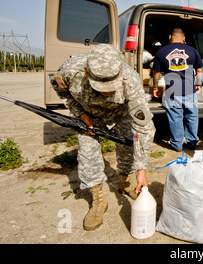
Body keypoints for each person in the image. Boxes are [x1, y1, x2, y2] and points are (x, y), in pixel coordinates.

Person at [50, 44, 155, 231]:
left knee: (128, 145)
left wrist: (141, 168)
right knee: (87, 153)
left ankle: (125, 182)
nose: (106, 92)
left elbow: (144, 127)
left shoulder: (130, 79)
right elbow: (62, 91)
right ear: (86, 72)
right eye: (100, 87)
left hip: (119, 112)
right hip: (88, 114)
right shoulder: (70, 70)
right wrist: (79, 113)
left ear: (120, 71)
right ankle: (98, 200)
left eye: (110, 87)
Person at [152, 28, 203, 151]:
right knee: (192, 116)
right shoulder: (192, 51)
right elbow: (199, 70)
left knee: (175, 118)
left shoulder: (161, 52)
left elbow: (156, 73)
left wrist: (155, 87)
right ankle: (192, 143)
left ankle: (177, 145)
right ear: (184, 38)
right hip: (189, 90)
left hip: (172, 91)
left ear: (170, 37)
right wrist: (199, 84)